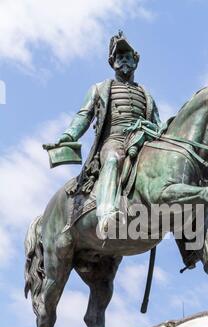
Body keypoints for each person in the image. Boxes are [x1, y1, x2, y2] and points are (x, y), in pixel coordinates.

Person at [57, 31, 161, 236]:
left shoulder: (146, 93)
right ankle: (106, 213)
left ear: (135, 61)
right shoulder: (100, 88)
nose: (124, 61)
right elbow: (84, 116)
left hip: (142, 143)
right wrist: (70, 135)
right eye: (119, 57)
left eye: (127, 57)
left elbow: (157, 124)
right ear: (112, 62)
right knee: (113, 160)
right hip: (113, 141)